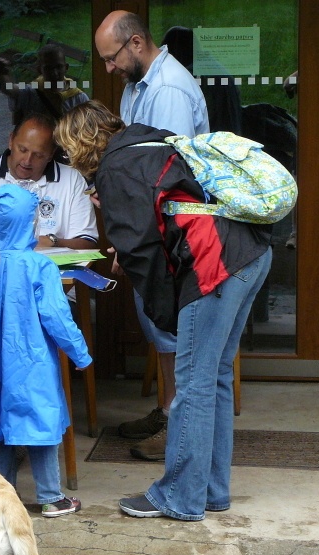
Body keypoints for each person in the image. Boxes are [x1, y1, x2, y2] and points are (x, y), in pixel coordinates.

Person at [55, 101, 272, 521]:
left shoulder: (116, 169)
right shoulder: (150, 142)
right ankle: (209, 491)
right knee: (214, 378)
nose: (68, 159)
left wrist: (166, 315)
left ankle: (178, 496)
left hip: (214, 266)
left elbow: (141, 252)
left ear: (80, 143)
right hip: (249, 254)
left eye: (67, 150)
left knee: (192, 383)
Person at [95, 10, 210, 460]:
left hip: (172, 228)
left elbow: (162, 175)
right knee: (161, 328)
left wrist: (133, 240)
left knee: (174, 330)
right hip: (156, 226)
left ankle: (179, 429)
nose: (109, 68)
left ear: (137, 43)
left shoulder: (167, 91)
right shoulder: (138, 84)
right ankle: (167, 412)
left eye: (111, 58)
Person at [0, 184, 92, 517]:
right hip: (32, 360)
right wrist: (80, 354)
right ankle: (51, 496)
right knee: (41, 421)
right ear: (31, 222)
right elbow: (57, 317)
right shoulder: (40, 266)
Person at [0, 113, 98, 251]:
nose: (27, 161)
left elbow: (87, 243)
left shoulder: (72, 180)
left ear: (51, 154)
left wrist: (52, 241)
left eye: (38, 155)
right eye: (22, 150)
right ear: (11, 141)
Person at [0, 43, 90, 126]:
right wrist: (2, 74)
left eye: (59, 67)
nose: (54, 73)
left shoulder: (79, 98)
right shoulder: (32, 91)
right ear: (39, 70)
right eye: (48, 68)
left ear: (66, 67)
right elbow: (10, 90)